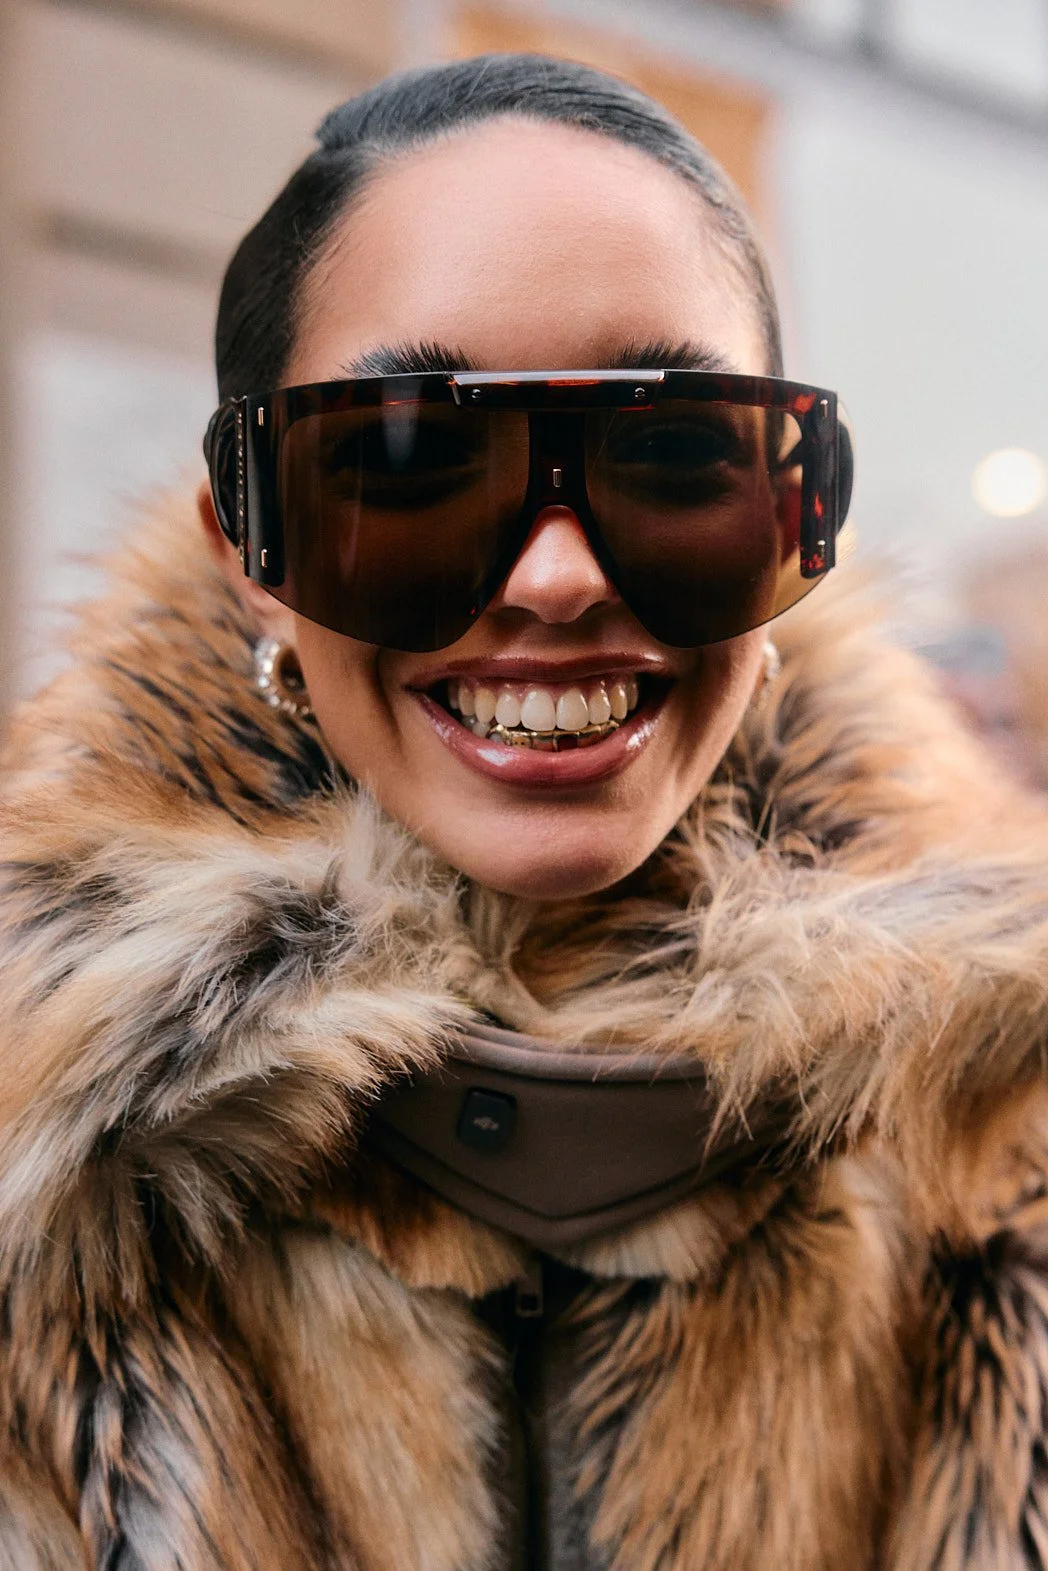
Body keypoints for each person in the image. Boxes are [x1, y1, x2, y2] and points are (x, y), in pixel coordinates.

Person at [1, 53, 1047, 1571]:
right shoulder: (42, 1161)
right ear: (254, 552)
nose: (558, 577)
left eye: (672, 451)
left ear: (786, 522)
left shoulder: (999, 1130)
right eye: (409, 455)